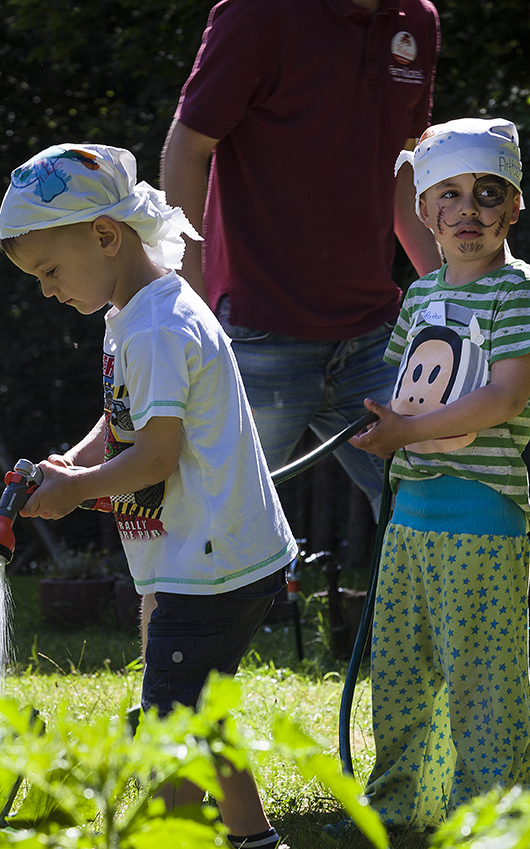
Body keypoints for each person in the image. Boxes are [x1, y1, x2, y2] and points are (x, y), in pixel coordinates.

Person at [0, 142, 297, 849]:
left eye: (49, 270)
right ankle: (255, 840)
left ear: (105, 235)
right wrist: (69, 465)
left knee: (169, 727)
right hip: (211, 557)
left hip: (211, 565)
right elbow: (123, 421)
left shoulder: (159, 326)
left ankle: (170, 837)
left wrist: (76, 492)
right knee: (202, 708)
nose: (46, 289)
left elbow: (157, 455)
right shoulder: (134, 312)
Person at [342, 118, 530, 833]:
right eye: (450, 195)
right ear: (425, 213)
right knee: (400, 678)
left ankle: (494, 813)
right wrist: (385, 427)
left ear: (514, 207)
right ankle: (403, 804)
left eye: (488, 194)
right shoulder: (419, 297)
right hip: (412, 518)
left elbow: (503, 397)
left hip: (481, 518)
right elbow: (408, 392)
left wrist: (403, 432)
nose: (469, 210)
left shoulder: (518, 293)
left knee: (481, 683)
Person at [160, 0, 443, 512]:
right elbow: (187, 148)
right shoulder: (258, 14)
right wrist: (193, 310)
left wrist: (455, 296)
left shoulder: (416, 20)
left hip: (376, 338)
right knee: (209, 531)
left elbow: (405, 171)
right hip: (256, 335)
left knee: (432, 516)